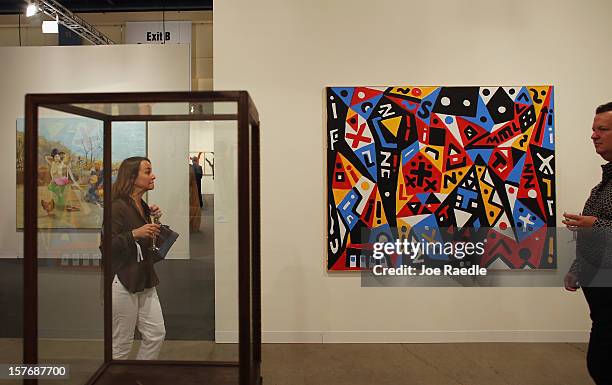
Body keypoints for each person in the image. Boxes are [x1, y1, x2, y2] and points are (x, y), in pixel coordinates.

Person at [564, 102, 612, 385]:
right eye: (593, 129)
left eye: (602, 129)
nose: (593, 135)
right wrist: (578, 267)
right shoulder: (603, 184)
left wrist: (596, 224)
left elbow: (598, 229)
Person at [108, 156, 165, 360]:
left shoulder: (141, 204)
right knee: (122, 345)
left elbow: (145, 241)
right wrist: (135, 233)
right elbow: (106, 246)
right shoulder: (117, 206)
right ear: (132, 176)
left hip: (144, 277)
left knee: (156, 334)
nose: (153, 176)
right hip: (124, 279)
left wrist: (154, 220)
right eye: (148, 171)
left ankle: (139, 375)